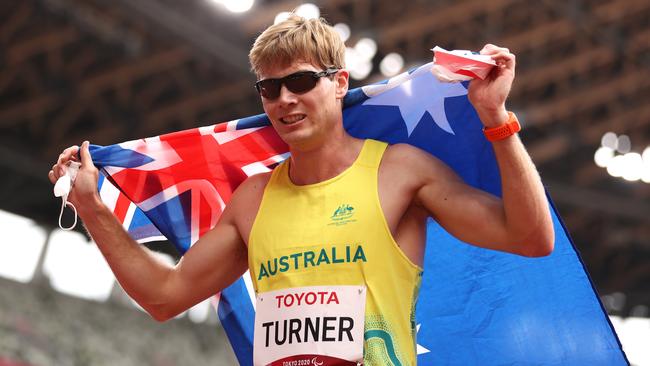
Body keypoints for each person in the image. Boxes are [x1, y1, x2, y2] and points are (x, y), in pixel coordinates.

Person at [49, 14, 554, 366]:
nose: (284, 100)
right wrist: (93, 208)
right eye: (269, 89)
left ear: (339, 82)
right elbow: (164, 298)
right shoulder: (253, 197)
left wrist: (495, 118)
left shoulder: (400, 172)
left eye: (301, 82)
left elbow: (531, 238)